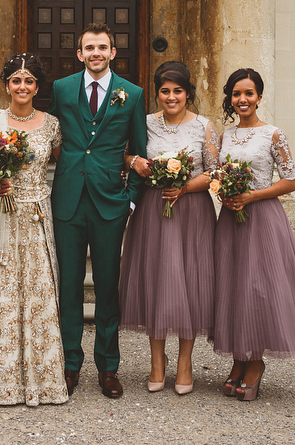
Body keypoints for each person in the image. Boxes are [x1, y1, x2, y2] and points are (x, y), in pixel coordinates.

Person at [0, 53, 68, 406]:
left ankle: (43, 381)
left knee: (38, 292)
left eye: (29, 81)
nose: (22, 86)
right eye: (16, 80)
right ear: (6, 85)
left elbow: (64, 164)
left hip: (35, 217)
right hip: (2, 217)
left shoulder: (50, 124)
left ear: (38, 87)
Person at [49, 23, 147, 398]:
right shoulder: (61, 88)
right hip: (68, 200)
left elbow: (138, 150)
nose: (95, 53)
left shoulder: (132, 94)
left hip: (110, 203)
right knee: (69, 287)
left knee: (108, 290)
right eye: (89, 47)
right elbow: (52, 136)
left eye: (102, 47)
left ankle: (109, 367)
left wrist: (131, 199)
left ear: (112, 53)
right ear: (79, 53)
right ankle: (69, 365)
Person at [212, 68, 295, 401]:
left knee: (257, 288)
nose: (242, 100)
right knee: (232, 285)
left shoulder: (273, 134)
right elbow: (218, 172)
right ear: (230, 97)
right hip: (230, 219)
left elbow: (291, 180)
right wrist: (224, 192)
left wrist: (252, 196)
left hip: (262, 218)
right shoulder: (225, 136)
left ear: (259, 96)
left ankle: (255, 363)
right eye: (237, 94)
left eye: (249, 93)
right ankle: (238, 359)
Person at [119, 61, 219, 395]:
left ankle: (186, 363)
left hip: (192, 212)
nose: (171, 97)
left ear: (188, 93)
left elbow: (214, 171)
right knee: (156, 280)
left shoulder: (204, 127)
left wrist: (185, 187)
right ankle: (157, 362)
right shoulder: (144, 123)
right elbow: (124, 153)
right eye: (165, 91)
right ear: (157, 93)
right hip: (153, 211)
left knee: (190, 280)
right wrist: (136, 162)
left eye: (177, 91)